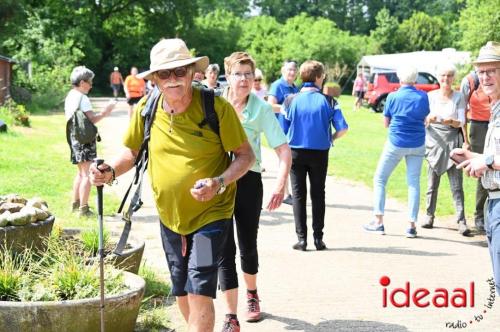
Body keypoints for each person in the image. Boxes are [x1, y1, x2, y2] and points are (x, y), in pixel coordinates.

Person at [89, 38, 255, 332]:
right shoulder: (147, 108)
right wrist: (110, 171)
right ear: (154, 79)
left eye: (180, 71)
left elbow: (245, 156)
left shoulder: (215, 107)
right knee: (180, 289)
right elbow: (132, 152)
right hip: (170, 219)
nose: (173, 79)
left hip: (211, 215)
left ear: (193, 72)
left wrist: (219, 182)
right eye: (165, 73)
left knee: (199, 285)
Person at [218, 52, 292, 331]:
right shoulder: (215, 104)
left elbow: (283, 150)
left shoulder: (260, 108)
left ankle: (251, 295)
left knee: (247, 244)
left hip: (249, 181)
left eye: (249, 74)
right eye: (239, 74)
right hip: (219, 182)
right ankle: (229, 314)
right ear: (228, 76)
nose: (245, 79)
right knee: (224, 247)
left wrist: (280, 183)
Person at [282, 60, 348, 251]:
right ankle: (318, 239)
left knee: (298, 195)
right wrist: (331, 138)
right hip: (320, 152)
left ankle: (301, 239)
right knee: (318, 194)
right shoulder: (329, 101)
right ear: (319, 77)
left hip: (296, 152)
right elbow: (343, 128)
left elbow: (282, 131)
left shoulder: (289, 100)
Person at [453, 41, 500, 294]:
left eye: (492, 70)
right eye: (481, 71)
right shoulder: (496, 109)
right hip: (493, 204)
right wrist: (474, 157)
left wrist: (488, 161)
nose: (485, 76)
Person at [363, 65, 430, 238]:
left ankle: (378, 222)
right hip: (417, 143)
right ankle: (411, 226)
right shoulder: (423, 97)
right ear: (415, 80)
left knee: (380, 178)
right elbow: (425, 119)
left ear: (400, 79)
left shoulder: (392, 96)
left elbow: (386, 123)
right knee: (413, 183)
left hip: (396, 143)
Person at [422, 64, 470, 236]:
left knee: (457, 186)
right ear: (438, 77)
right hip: (434, 142)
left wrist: (452, 121)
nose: (446, 79)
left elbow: (462, 122)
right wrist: (429, 118)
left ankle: (461, 220)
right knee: (431, 184)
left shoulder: (459, 97)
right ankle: (429, 215)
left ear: (454, 78)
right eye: (443, 75)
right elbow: (424, 120)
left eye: (449, 75)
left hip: (452, 143)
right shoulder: (430, 96)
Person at [65, 66, 115, 217]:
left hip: (75, 138)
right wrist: (106, 112)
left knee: (80, 173)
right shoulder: (83, 98)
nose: (91, 85)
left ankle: (75, 204)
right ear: (82, 82)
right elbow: (93, 119)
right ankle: (84, 209)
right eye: (89, 82)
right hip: (85, 139)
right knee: (87, 174)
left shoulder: (70, 96)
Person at [461, 70, 492, 233]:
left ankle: (490, 214)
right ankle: (479, 215)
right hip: (479, 126)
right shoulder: (470, 81)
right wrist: (465, 139)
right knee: (483, 169)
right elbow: (461, 111)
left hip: (496, 122)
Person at [268, 60, 299, 205]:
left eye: (294, 70)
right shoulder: (277, 85)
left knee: (288, 161)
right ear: (282, 70)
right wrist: (287, 107)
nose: (292, 72)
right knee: (285, 161)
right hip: (279, 130)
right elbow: (270, 105)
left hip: (291, 132)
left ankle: (287, 193)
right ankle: (285, 194)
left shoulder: (295, 88)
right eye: (289, 69)